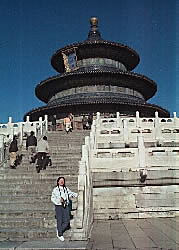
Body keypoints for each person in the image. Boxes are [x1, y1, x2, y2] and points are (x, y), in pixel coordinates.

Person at [51, 176, 78, 241]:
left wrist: (77, 194)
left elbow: (70, 193)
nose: (62, 181)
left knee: (67, 221)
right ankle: (60, 234)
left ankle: (59, 230)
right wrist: (58, 202)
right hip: (59, 206)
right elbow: (52, 198)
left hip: (65, 205)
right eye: (60, 180)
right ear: (58, 182)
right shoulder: (55, 189)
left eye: (63, 180)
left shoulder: (66, 188)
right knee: (59, 220)